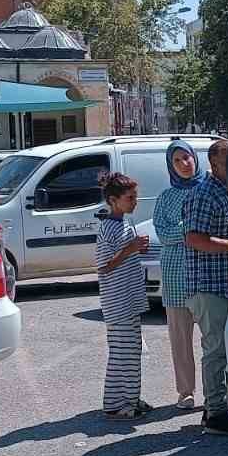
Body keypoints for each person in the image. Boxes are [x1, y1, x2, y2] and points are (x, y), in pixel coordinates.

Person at [184, 139, 228, 436]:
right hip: (208, 286)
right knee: (216, 351)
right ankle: (216, 414)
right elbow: (194, 238)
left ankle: (223, 407)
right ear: (214, 164)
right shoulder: (205, 194)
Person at [94, 171, 153, 420]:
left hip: (129, 299)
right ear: (113, 200)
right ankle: (115, 404)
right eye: (130, 197)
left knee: (132, 351)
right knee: (121, 352)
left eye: (135, 196)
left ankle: (130, 398)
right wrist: (131, 248)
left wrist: (135, 248)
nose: (134, 201)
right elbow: (104, 266)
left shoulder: (123, 223)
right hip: (118, 301)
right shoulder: (108, 227)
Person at [153, 141, 204, 412]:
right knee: (180, 342)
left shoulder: (208, 192)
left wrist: (183, 232)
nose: (185, 164)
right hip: (175, 279)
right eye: (177, 161)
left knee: (215, 341)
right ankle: (185, 391)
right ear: (170, 167)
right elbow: (163, 235)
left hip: (208, 277)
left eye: (187, 158)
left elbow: (210, 230)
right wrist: (190, 231)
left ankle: (220, 390)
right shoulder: (165, 198)